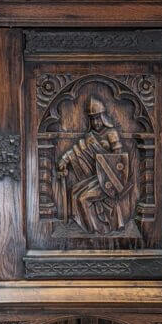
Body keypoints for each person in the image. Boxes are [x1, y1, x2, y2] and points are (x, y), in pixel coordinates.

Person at [56, 97, 134, 234]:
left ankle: (95, 230)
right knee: (74, 192)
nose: (96, 122)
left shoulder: (111, 134)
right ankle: (86, 227)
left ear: (104, 117)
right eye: (92, 119)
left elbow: (119, 161)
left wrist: (114, 180)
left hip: (109, 180)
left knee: (82, 199)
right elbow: (77, 149)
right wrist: (64, 159)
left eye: (98, 118)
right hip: (98, 177)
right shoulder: (90, 136)